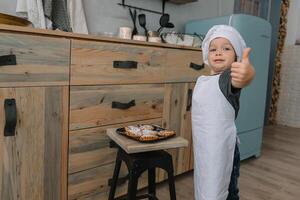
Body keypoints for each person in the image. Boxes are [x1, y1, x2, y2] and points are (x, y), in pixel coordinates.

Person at [191, 24, 256, 200]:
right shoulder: (202, 80)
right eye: (213, 49)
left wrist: (247, 73)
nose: (218, 52)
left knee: (226, 191)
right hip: (204, 148)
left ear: (236, 56)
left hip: (222, 149)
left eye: (226, 48)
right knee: (205, 185)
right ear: (207, 54)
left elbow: (242, 79)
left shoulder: (227, 79)